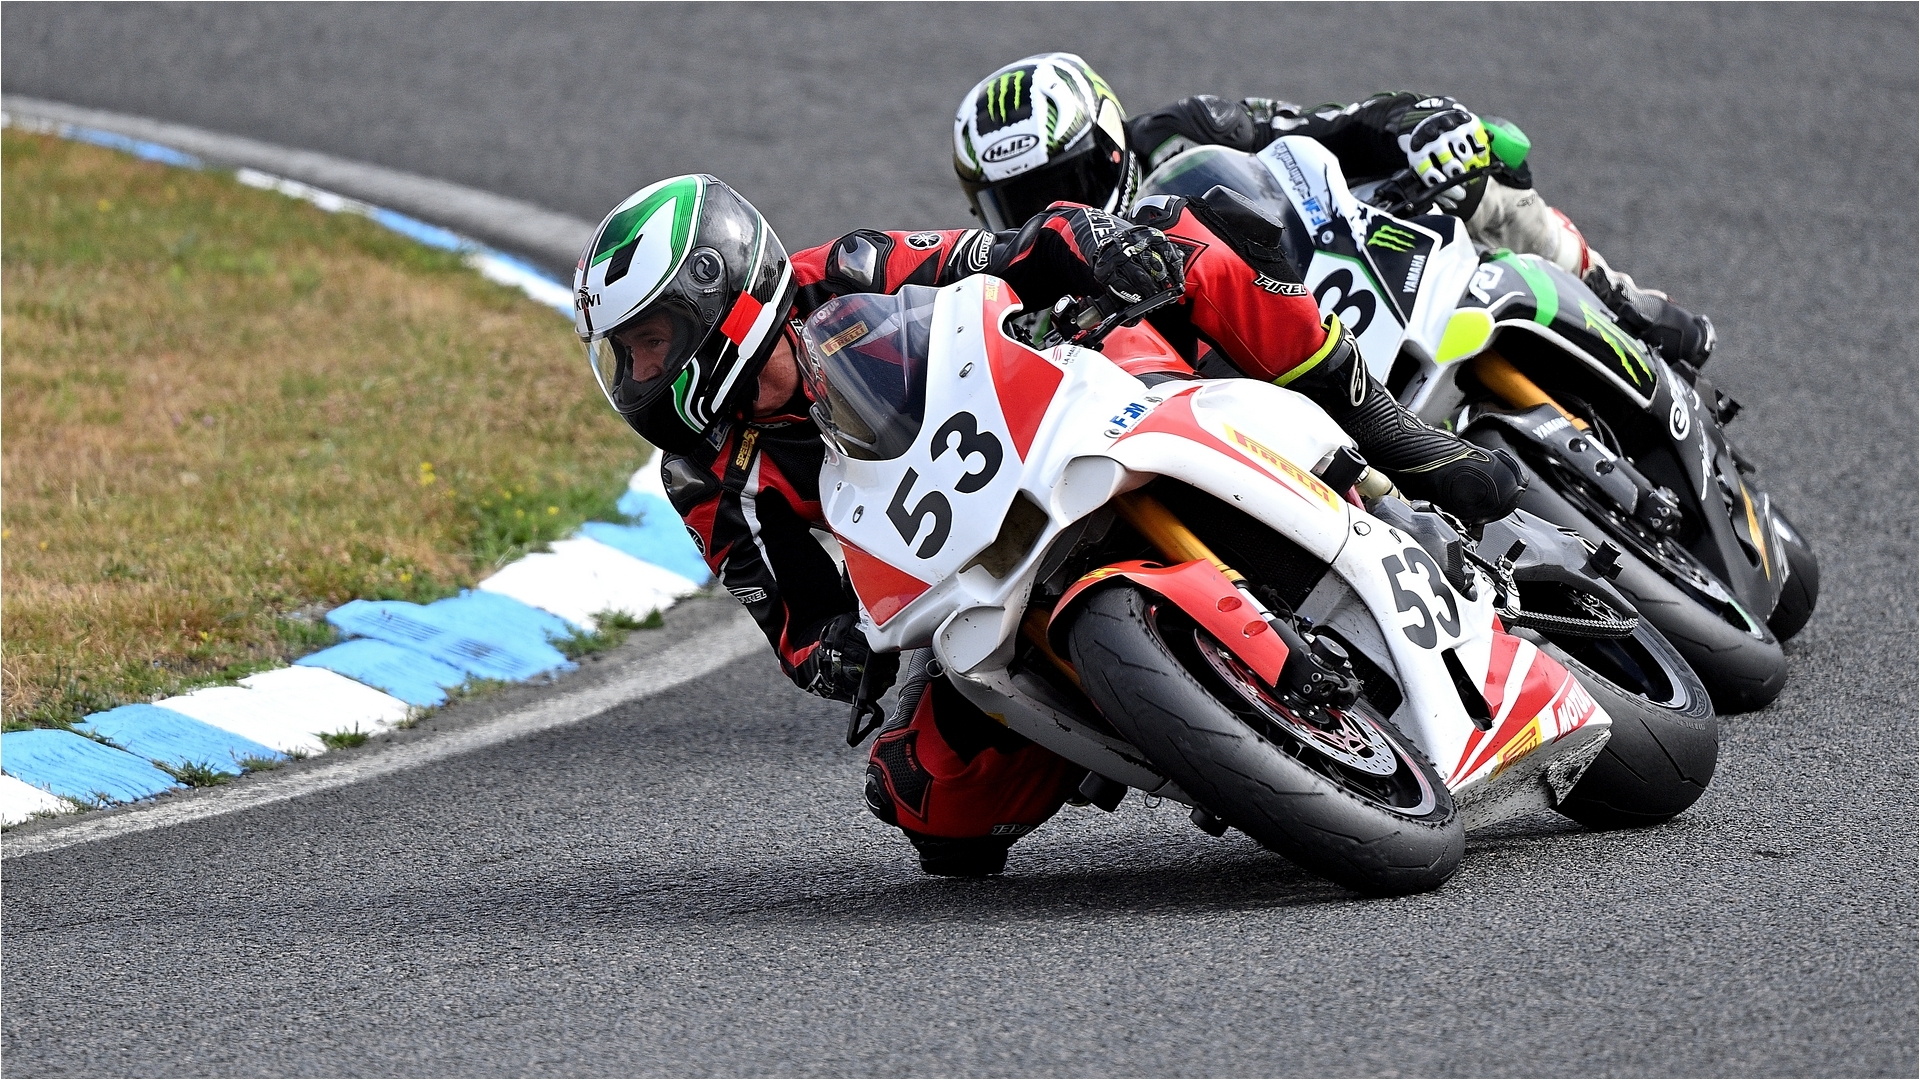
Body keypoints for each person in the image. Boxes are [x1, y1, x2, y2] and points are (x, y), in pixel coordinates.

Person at [572, 174, 1521, 876]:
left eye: (651, 343)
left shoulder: (850, 272)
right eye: (626, 356)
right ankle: (1171, 720)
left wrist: (1093, 247)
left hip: (1073, 405)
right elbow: (793, 621)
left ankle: (1390, 437)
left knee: (1183, 236)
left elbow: (1003, 252)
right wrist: (841, 656)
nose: (641, 375)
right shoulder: (703, 474)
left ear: (720, 300)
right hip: (974, 561)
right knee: (928, 806)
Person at [951, 52, 1715, 366]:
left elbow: (1334, 125)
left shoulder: (1187, 129)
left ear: (1114, 142)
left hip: (1331, 269)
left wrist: (1415, 124)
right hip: (1255, 383)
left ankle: (1617, 299)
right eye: (1018, 200)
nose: (1056, 204)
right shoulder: (1034, 283)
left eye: (1073, 174)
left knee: (1481, 170)